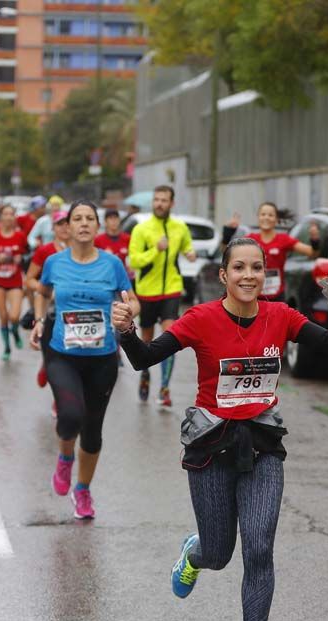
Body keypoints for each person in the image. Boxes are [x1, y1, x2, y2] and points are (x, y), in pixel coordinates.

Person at [113, 237, 328, 621]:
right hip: (211, 447)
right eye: (239, 268)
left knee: (259, 549)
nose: (249, 276)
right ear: (223, 276)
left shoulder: (280, 315)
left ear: (265, 274)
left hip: (262, 445)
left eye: (256, 268)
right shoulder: (201, 318)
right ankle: (194, 553)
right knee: (219, 554)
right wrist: (127, 330)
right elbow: (144, 358)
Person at [30, 200, 139, 520]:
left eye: (90, 218)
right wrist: (39, 320)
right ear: (69, 225)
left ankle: (83, 490)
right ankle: (65, 460)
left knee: (92, 431)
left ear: (97, 226)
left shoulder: (112, 265)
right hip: (63, 353)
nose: (83, 223)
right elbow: (43, 292)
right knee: (70, 415)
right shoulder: (54, 262)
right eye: (77, 218)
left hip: (102, 358)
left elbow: (131, 300)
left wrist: (128, 312)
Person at [127, 185, 196, 407]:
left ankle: (165, 388)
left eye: (164, 200)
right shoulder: (142, 229)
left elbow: (187, 247)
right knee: (146, 340)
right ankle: (145, 373)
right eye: (156, 200)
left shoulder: (180, 227)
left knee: (170, 337)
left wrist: (190, 253)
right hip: (147, 291)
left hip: (171, 290)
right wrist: (156, 249)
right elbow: (134, 261)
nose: (159, 204)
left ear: (171, 203)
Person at [223, 203, 320, 301]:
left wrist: (314, 240)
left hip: (276, 296)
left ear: (276, 219)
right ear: (258, 217)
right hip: (253, 294)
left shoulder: (284, 239)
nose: (266, 218)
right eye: (263, 214)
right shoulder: (250, 239)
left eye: (270, 215)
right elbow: (225, 252)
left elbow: (312, 253)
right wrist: (227, 234)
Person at [25, 208, 71, 395]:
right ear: (53, 228)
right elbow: (29, 279)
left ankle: (61, 393)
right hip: (49, 308)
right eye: (60, 224)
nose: (65, 227)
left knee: (69, 355)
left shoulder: (81, 250)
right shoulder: (46, 251)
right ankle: (48, 366)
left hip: (72, 309)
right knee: (54, 355)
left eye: (68, 223)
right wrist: (47, 291)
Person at [0, 203, 29, 360]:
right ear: (1, 217)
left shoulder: (20, 236)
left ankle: (15, 332)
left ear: (14, 217)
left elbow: (30, 256)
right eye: (6, 214)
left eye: (11, 214)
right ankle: (7, 348)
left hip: (15, 281)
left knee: (14, 316)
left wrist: (21, 258)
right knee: (3, 316)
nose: (9, 217)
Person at [94, 208, 132, 277]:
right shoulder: (98, 240)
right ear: (105, 222)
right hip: (105, 276)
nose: (113, 221)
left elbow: (132, 259)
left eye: (116, 218)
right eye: (110, 218)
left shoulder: (127, 238)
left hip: (124, 277)